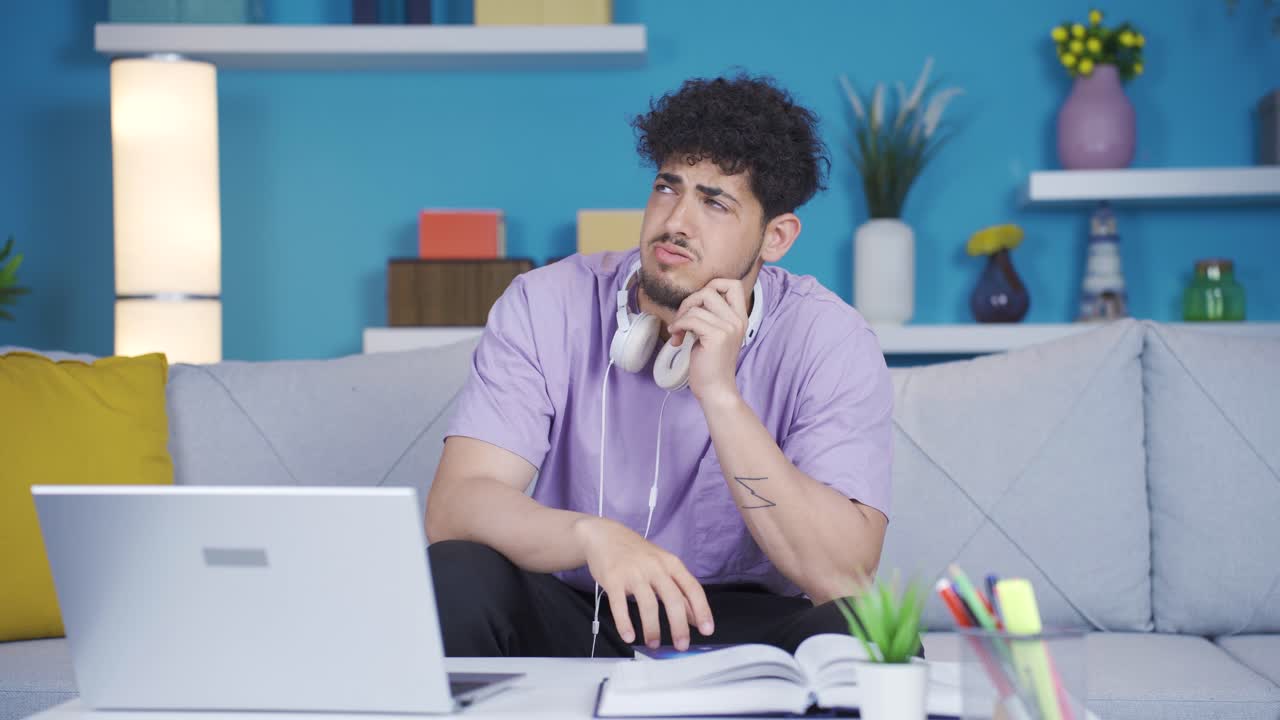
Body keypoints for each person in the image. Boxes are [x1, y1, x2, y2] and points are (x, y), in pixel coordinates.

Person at [425, 73, 895, 659]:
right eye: (668, 188)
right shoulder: (544, 303)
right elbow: (456, 507)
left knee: (868, 634)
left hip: (746, 621)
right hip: (583, 604)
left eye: (714, 202)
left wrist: (720, 394)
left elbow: (842, 575)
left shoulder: (831, 339)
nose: (676, 222)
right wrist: (591, 535)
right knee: (455, 574)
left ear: (776, 237)